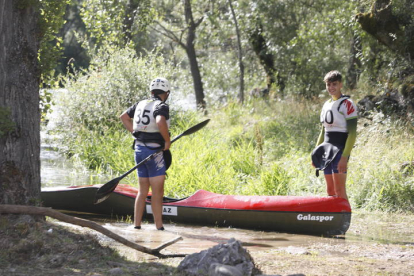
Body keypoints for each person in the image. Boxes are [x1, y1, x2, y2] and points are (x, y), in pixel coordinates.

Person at [120, 77, 171, 230]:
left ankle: (136, 225)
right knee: (157, 192)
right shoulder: (161, 105)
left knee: (142, 190)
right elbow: (161, 121)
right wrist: (167, 141)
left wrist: (134, 132)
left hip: (139, 150)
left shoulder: (141, 104)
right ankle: (159, 228)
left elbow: (124, 117)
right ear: (167, 93)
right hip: (154, 152)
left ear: (151, 91)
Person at [311, 71, 358, 200]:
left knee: (339, 190)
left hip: (339, 151)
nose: (331, 87)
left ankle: (345, 219)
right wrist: (316, 153)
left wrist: (344, 156)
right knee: (330, 191)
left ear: (341, 84)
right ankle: (332, 219)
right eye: (329, 84)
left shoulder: (347, 103)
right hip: (327, 151)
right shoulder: (326, 104)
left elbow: (353, 133)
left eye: (334, 84)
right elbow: (323, 131)